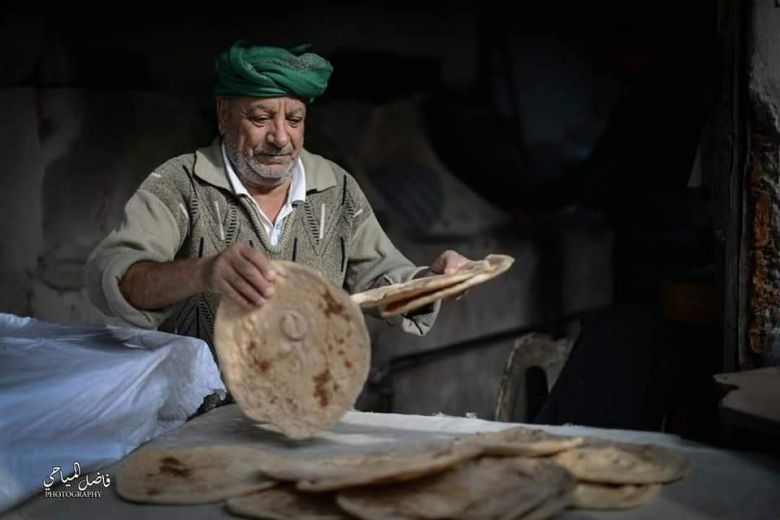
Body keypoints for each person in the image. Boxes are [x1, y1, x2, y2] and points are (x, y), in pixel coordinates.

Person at [85, 41, 470, 348]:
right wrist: (201, 272)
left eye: (294, 120)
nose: (281, 138)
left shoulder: (336, 188)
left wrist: (431, 281)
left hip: (310, 402)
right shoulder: (179, 184)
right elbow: (120, 278)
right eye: (261, 118)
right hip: (198, 410)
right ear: (224, 115)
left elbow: (382, 280)